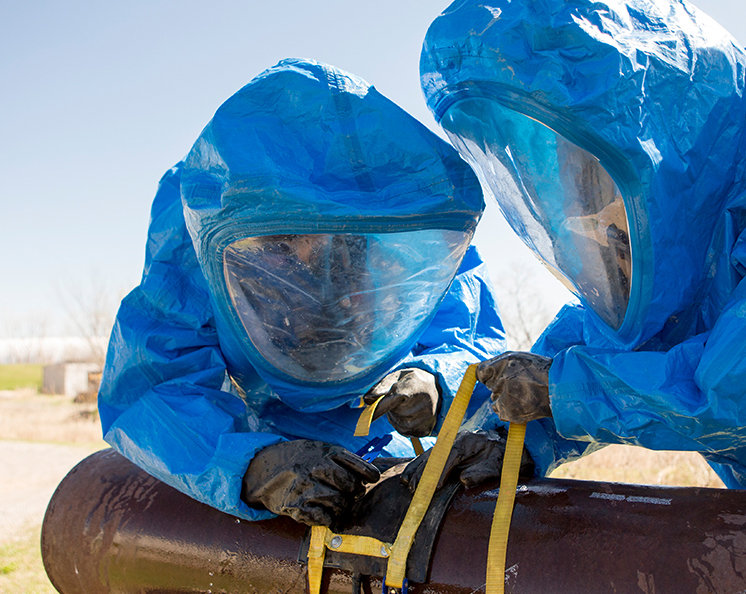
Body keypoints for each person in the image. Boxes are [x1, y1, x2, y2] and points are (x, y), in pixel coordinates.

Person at [420, 0, 746, 497]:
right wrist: (505, 437)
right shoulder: (685, 218)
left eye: (590, 171)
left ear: (654, 134)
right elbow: (619, 333)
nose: (586, 209)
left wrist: (558, 390)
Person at [98, 59, 508, 528]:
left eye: (345, 248)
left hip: (395, 456)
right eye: (289, 247)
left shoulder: (404, 217)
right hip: (260, 443)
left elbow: (468, 332)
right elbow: (152, 384)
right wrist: (253, 467)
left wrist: (436, 379)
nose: (322, 272)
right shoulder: (207, 214)